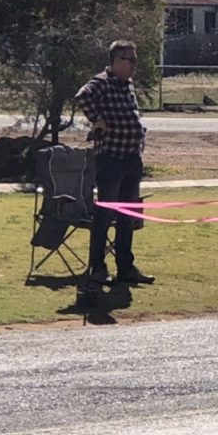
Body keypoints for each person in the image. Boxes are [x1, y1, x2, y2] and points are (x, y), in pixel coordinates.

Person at [75, 40, 155, 286]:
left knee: (128, 215)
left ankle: (125, 267)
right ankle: (97, 268)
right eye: (129, 60)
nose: (134, 65)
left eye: (135, 60)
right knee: (105, 214)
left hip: (131, 158)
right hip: (111, 159)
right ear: (116, 61)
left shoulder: (126, 85)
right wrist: (97, 119)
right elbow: (82, 96)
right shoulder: (101, 82)